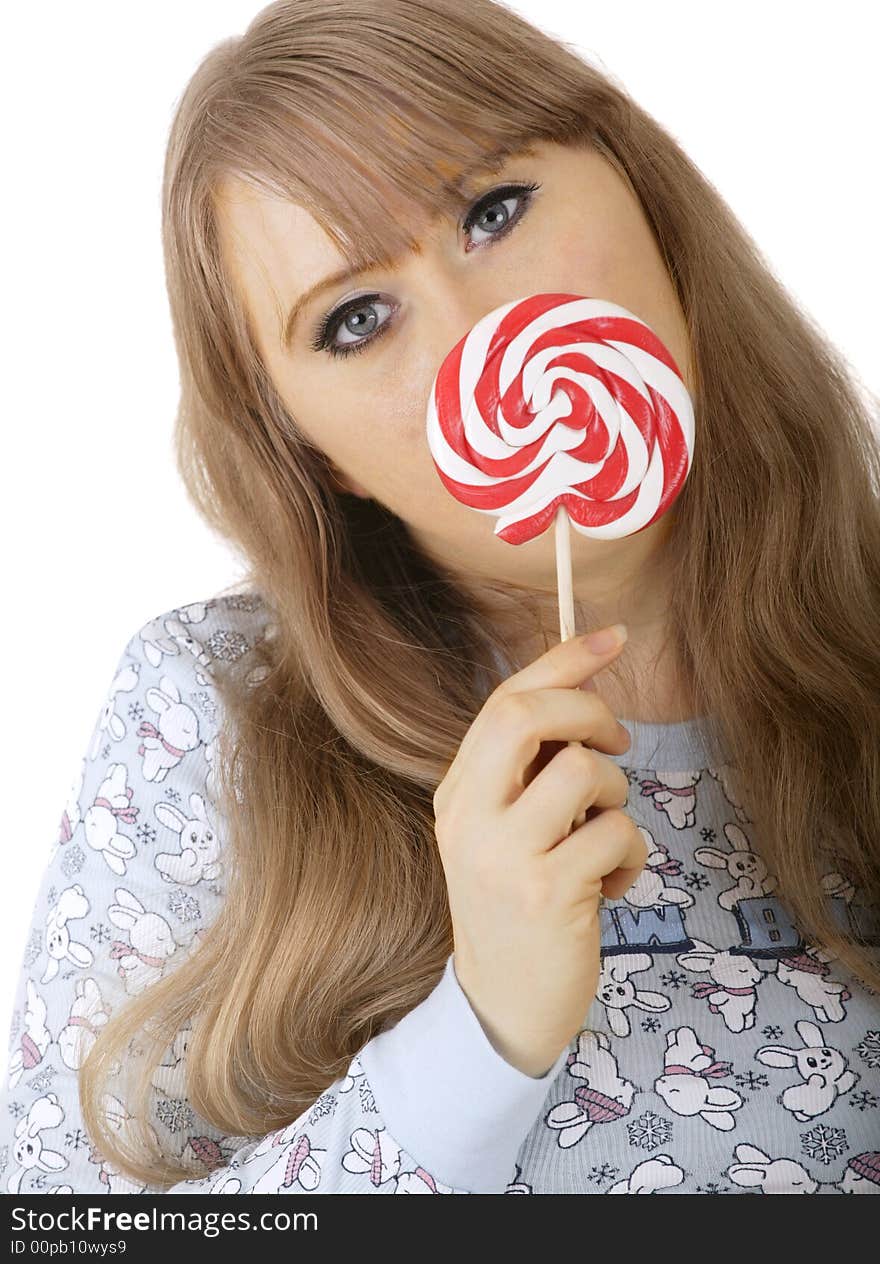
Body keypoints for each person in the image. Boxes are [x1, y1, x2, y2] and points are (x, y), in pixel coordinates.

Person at [2, 0, 878, 1196]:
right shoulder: (211, 720)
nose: (480, 337)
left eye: (493, 210)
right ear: (307, 449)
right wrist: (482, 1028)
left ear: (640, 190)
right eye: (355, 319)